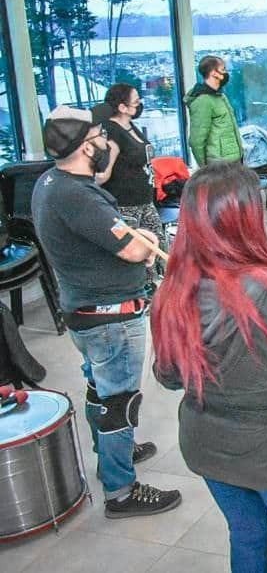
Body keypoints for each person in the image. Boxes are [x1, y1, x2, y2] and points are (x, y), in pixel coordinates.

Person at [151, 161, 267, 572]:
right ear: (247, 218)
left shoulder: (171, 292)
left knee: (247, 534)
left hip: (208, 446)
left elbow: (167, 377)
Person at [31, 106, 182, 519]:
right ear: (84, 147)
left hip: (84, 310)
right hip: (110, 317)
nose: (106, 143)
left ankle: (112, 452)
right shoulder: (76, 197)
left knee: (100, 387)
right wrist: (148, 233)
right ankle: (121, 489)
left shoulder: (52, 181)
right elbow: (135, 248)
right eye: (100, 137)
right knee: (119, 401)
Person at [95, 83, 165, 286]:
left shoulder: (130, 125)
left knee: (157, 244)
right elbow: (103, 173)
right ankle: (144, 290)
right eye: (135, 102)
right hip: (126, 203)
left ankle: (155, 284)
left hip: (144, 199)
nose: (140, 104)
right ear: (122, 107)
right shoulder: (112, 132)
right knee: (138, 251)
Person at [186, 55, 243, 166]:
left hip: (233, 160)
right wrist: (206, 168)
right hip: (219, 164)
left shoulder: (220, 96)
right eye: (223, 70)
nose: (226, 73)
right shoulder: (202, 101)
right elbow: (197, 140)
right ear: (213, 73)